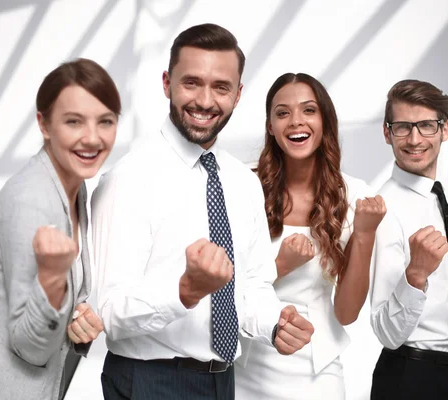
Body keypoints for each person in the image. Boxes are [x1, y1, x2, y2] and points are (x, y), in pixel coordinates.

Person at [92, 23, 315, 400]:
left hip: (222, 382)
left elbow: (254, 286)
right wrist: (184, 291)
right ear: (166, 82)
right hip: (150, 382)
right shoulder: (128, 180)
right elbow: (107, 310)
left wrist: (275, 322)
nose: (205, 101)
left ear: (238, 94)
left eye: (221, 87)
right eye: (191, 83)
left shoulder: (242, 183)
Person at [0, 58, 117, 400]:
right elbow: (31, 347)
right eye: (74, 122)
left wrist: (78, 316)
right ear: (44, 124)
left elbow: (64, 295)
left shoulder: (74, 183)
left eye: (105, 122)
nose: (92, 138)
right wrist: (54, 285)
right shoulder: (30, 203)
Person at [234, 73, 386, 399]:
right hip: (248, 367)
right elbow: (224, 289)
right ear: (270, 126)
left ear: (325, 121)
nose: (295, 121)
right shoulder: (242, 186)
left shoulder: (355, 195)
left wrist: (364, 235)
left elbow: (346, 313)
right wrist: (280, 265)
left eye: (308, 110)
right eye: (282, 112)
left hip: (318, 374)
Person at [370, 79, 448, 400]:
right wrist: (415, 276)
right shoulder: (381, 208)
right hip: (411, 377)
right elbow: (385, 333)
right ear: (386, 132)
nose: (414, 139)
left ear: (444, 129)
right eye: (402, 127)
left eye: (426, 126)